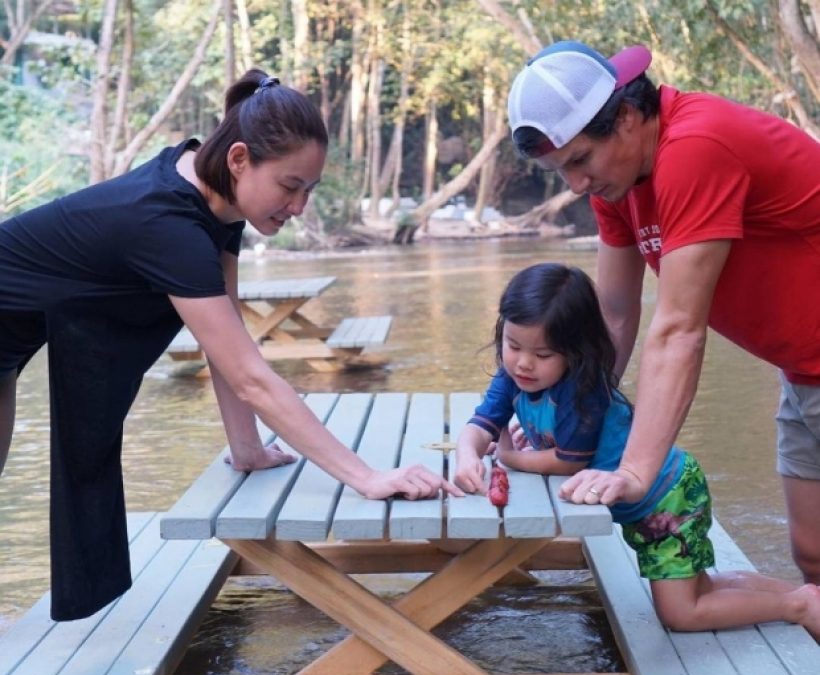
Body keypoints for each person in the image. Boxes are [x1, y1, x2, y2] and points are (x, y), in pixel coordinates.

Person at [0, 70, 461, 621]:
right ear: (239, 159)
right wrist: (366, 477)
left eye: (309, 191)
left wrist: (248, 449)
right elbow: (250, 376)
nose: (299, 207)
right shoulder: (167, 224)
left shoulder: (217, 202)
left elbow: (229, 345)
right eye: (290, 186)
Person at [506, 40, 820, 582]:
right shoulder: (618, 184)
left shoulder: (696, 147)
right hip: (803, 372)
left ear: (626, 117)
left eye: (580, 160)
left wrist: (635, 471)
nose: (577, 185)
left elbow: (678, 330)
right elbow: (614, 313)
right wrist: (566, 410)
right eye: (562, 170)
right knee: (812, 553)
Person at [454, 263, 820, 637]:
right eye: (513, 345)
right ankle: (809, 595)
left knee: (682, 612)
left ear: (575, 352)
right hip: (643, 504)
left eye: (543, 354)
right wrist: (469, 454)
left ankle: (800, 605)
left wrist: (511, 457)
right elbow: (481, 424)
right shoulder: (513, 375)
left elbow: (567, 463)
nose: (523, 363)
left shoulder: (583, 391)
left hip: (667, 498)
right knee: (700, 588)